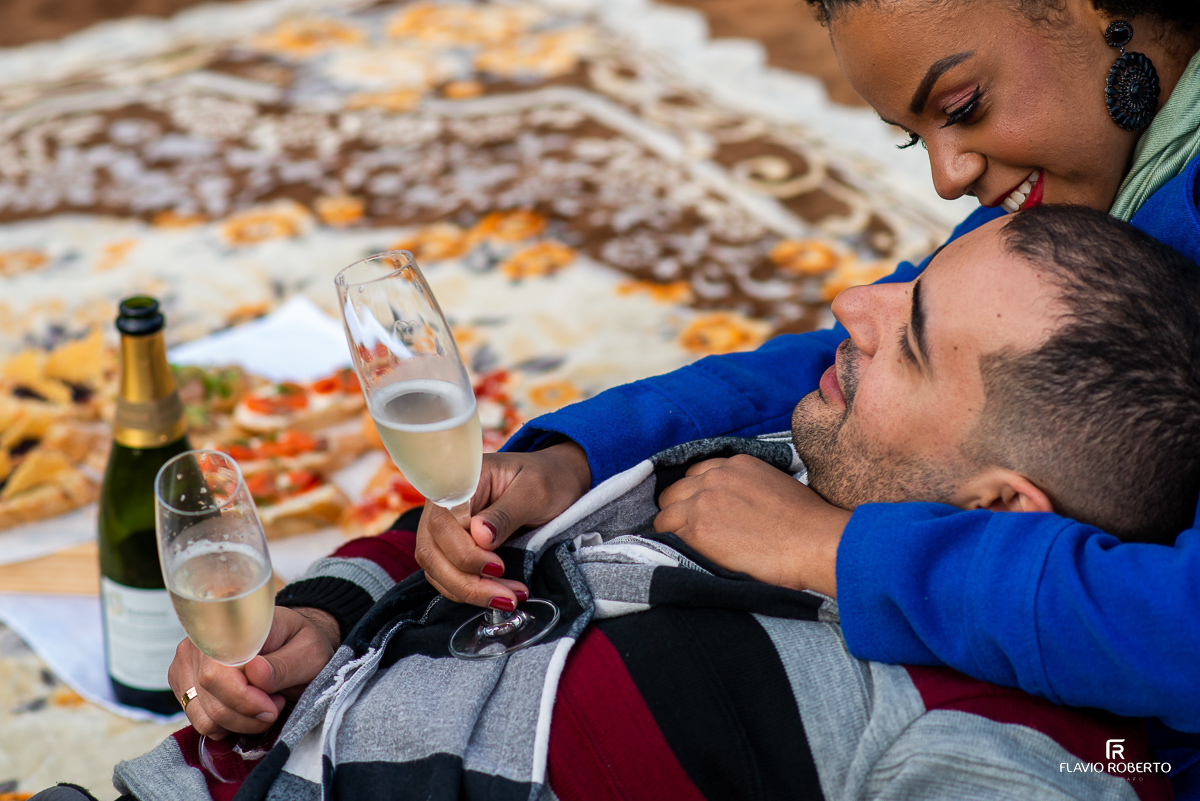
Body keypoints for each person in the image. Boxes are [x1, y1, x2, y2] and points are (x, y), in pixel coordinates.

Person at [78, 206, 1196, 801]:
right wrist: (318, 619)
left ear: (1000, 507)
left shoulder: (954, 740)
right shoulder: (781, 457)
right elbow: (468, 545)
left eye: (907, 339)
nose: (851, 299)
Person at [411, 0, 1200, 796]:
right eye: (913, 136)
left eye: (962, 107)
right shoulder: (1086, 189)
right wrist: (577, 455)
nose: (947, 176)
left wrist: (830, 549)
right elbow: (837, 353)